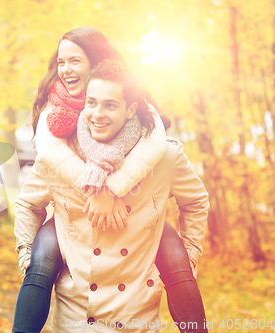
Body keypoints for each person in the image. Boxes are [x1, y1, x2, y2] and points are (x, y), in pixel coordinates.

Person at [13, 28, 208, 333]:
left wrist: (191, 251)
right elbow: (28, 201)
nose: (96, 114)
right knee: (41, 259)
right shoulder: (59, 140)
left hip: (134, 315)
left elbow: (194, 200)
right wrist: (26, 248)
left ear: (130, 108)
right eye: (91, 103)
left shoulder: (160, 150)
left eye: (110, 105)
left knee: (178, 264)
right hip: (77, 316)